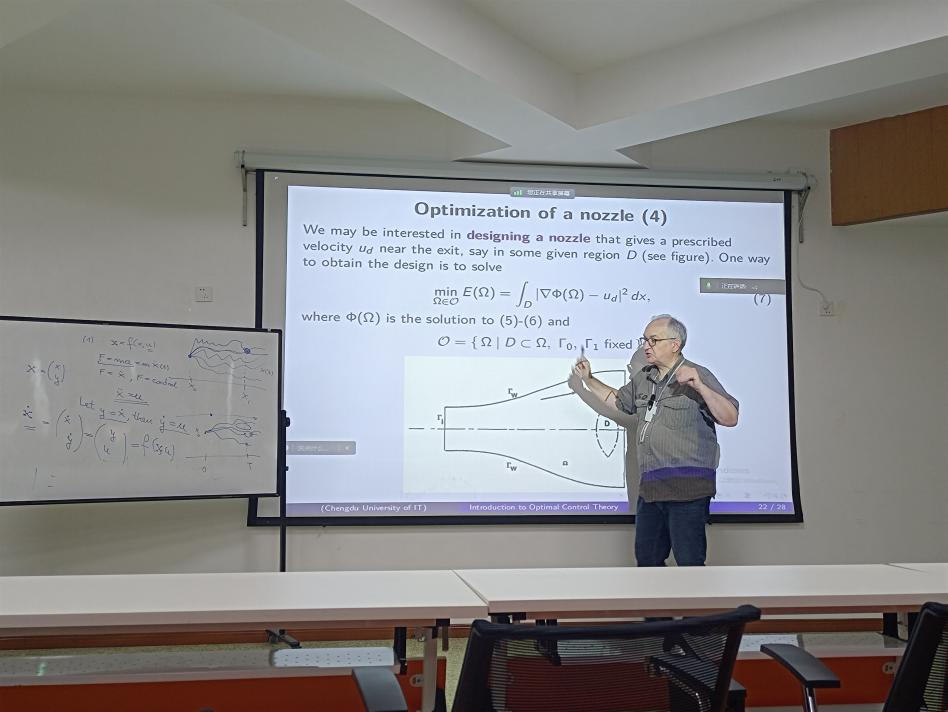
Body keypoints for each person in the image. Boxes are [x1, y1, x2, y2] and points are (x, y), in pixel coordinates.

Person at [570, 314, 738, 567]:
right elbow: (619, 402)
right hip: (650, 489)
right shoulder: (644, 378)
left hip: (688, 489)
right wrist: (588, 380)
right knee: (647, 562)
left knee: (689, 563)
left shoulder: (697, 374)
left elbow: (730, 417)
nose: (646, 346)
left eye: (653, 340)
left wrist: (700, 387)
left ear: (675, 344)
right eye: (645, 340)